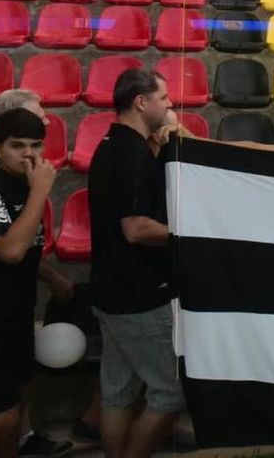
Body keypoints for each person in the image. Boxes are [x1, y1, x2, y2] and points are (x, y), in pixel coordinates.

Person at [88, 69, 185, 458]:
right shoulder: (129, 152)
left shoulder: (116, 144)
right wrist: (187, 233)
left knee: (117, 392)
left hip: (111, 290)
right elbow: (135, 229)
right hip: (138, 297)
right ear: (141, 102)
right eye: (163, 98)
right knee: (171, 393)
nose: (170, 105)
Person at [0, 109, 54, 458]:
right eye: (17, 145)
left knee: (13, 417)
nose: (29, 154)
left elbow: (28, 245)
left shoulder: (23, 187)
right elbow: (11, 250)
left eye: (36, 145)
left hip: (17, 314)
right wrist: (40, 191)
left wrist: (56, 279)